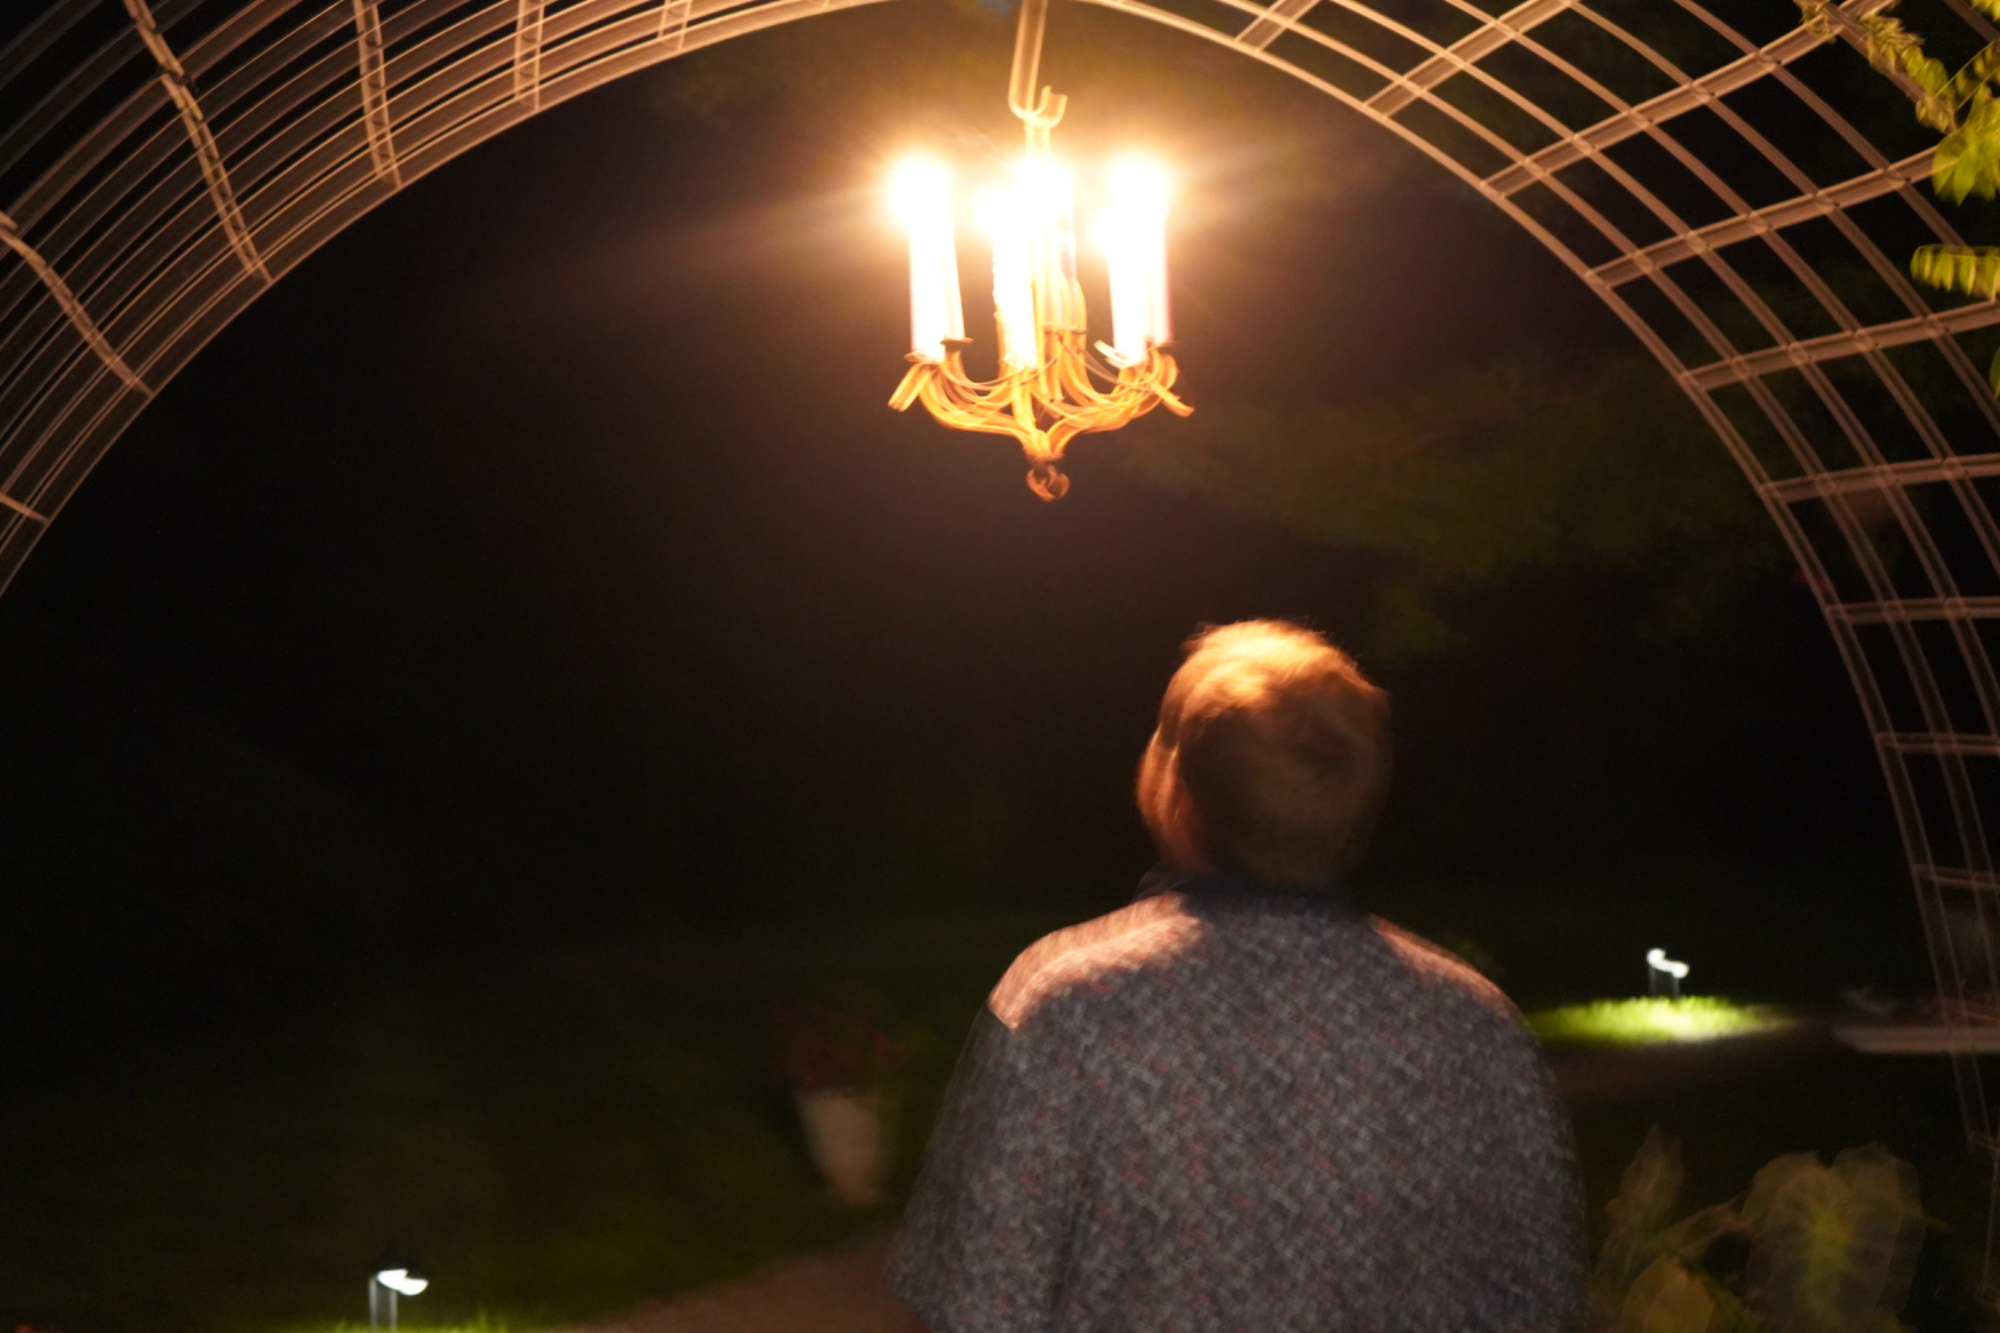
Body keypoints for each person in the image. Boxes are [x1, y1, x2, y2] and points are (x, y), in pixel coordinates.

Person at [888, 620, 1581, 1332]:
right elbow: (1537, 1301)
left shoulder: (1070, 1004)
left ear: (1180, 791)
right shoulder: (1475, 1026)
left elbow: (979, 1301)